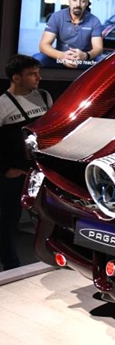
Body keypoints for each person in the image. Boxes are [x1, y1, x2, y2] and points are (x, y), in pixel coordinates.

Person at [0, 55, 52, 271]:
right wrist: (5, 169)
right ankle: (11, 264)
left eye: (38, 72)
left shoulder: (44, 96)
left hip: (42, 171)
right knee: (8, 218)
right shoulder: (2, 104)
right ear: (16, 77)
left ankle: (52, 257)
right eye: (32, 74)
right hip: (16, 173)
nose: (38, 77)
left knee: (48, 216)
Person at [36, 0, 103, 69]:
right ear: (69, 0)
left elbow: (98, 48)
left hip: (83, 61)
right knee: (38, 58)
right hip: (60, 60)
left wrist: (85, 56)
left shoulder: (94, 21)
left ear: (86, 3)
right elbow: (43, 45)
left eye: (82, 1)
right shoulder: (56, 17)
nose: (78, 4)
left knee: (102, 62)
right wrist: (61, 56)